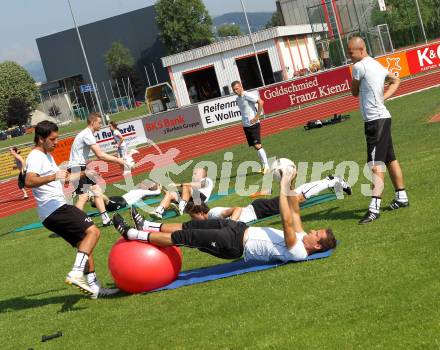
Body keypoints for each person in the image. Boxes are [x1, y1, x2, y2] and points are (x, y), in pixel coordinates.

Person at [114, 166, 336, 263]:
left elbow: (288, 221)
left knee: (184, 238)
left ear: (316, 246)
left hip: (234, 244)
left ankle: (132, 234)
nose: (313, 231)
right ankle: (148, 225)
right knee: (188, 227)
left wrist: (284, 184)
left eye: (317, 234)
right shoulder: (303, 237)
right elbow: (295, 213)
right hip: (238, 229)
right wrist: (292, 183)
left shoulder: (298, 251)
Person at [25, 120, 117, 298]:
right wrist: (53, 176)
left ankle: (94, 288)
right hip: (55, 208)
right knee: (93, 232)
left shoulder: (47, 156)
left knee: (84, 244)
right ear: (41, 138)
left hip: (52, 211)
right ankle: (75, 273)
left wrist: (84, 174)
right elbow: (30, 181)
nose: (56, 142)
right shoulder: (35, 156)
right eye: (53, 139)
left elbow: (64, 178)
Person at [348, 37, 409, 224]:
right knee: (391, 159)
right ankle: (402, 197)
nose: (349, 56)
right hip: (382, 118)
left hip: (376, 121)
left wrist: (382, 98)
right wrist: (384, 97)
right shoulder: (376, 64)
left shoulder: (359, 67)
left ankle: (374, 208)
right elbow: (395, 80)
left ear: (361, 49)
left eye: (351, 52)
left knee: (375, 164)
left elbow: (354, 92)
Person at [185, 175, 352, 223]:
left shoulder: (213, 214)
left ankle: (331, 181)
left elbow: (235, 209)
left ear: (200, 212)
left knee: (298, 198)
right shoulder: (211, 218)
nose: (194, 219)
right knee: (294, 196)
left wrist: (233, 224)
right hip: (259, 210)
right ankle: (329, 181)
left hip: (259, 210)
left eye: (193, 217)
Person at [68, 113, 133, 226]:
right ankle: (74, 223)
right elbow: (100, 155)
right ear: (92, 123)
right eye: (99, 122)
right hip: (76, 168)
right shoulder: (87, 134)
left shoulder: (87, 134)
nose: (101, 124)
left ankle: (105, 219)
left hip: (81, 166)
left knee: (96, 190)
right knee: (83, 196)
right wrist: (118, 160)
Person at [231, 81, 270, 174]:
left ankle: (267, 166)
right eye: (233, 90)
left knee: (257, 145)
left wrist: (257, 116)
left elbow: (261, 102)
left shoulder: (247, 95)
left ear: (241, 86)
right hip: (246, 125)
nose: (235, 91)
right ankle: (264, 166)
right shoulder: (238, 99)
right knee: (255, 147)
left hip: (253, 124)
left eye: (237, 88)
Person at [149, 167, 214, 220]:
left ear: (201, 174)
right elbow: (187, 192)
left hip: (200, 201)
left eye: (195, 173)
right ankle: (158, 212)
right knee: (170, 194)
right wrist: (161, 189)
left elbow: (199, 185)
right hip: (190, 200)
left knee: (186, 186)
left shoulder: (207, 180)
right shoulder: (192, 185)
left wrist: (179, 184)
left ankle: (181, 208)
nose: (193, 175)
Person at [89, 180, 162, 212]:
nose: (141, 183)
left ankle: (92, 198)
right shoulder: (135, 190)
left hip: (122, 203)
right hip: (119, 199)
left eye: (144, 184)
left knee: (102, 197)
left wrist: (158, 187)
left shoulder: (143, 192)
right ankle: (93, 199)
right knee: (104, 199)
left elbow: (158, 192)